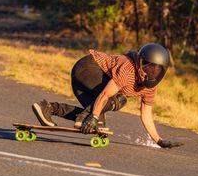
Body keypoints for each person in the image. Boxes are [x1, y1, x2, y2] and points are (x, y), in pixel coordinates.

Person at [32, 43, 183, 149]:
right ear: (140, 62)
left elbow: (146, 115)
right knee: (118, 100)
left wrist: (159, 140)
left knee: (93, 121)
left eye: (157, 70)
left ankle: (48, 108)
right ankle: (85, 118)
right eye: (149, 67)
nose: (152, 73)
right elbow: (105, 94)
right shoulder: (128, 70)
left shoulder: (151, 87)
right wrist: (94, 117)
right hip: (87, 68)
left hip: (87, 81)